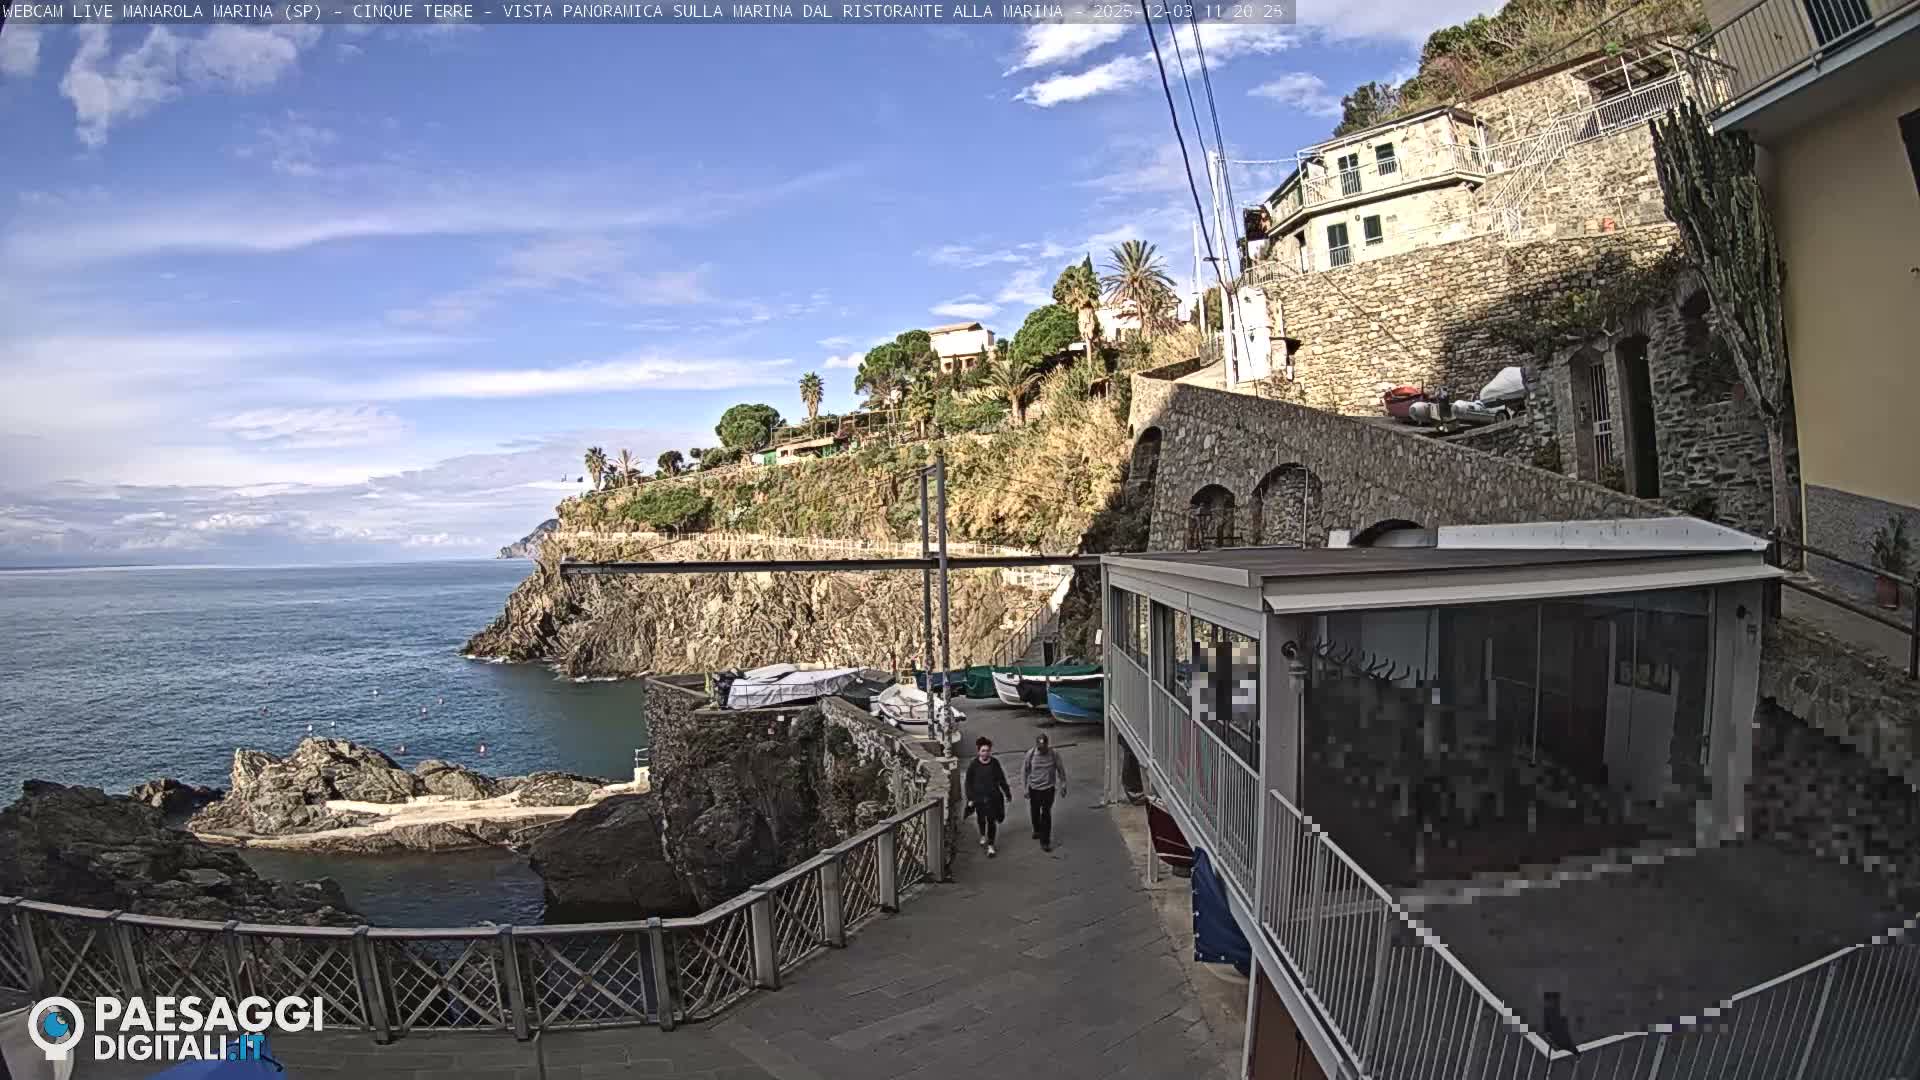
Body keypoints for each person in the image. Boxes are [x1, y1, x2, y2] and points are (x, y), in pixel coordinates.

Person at [963, 736, 1011, 857]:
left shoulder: (994, 763)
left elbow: (1001, 779)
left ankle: (990, 845)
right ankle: (982, 835)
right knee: (981, 819)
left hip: (992, 798)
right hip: (979, 799)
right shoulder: (974, 764)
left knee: (991, 821)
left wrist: (1007, 793)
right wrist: (970, 798)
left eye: (987, 750)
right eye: (983, 751)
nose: (985, 753)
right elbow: (968, 782)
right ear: (978, 751)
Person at [1022, 732, 1067, 851]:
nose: (1042, 751)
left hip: (1048, 788)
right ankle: (1036, 829)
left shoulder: (1053, 754)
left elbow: (1060, 769)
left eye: (1044, 748)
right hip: (1034, 788)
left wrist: (1063, 783)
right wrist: (1025, 787)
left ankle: (1045, 841)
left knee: (1046, 813)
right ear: (1036, 746)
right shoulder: (1030, 754)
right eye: (1039, 748)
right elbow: (1025, 771)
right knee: (1035, 811)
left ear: (1048, 744)